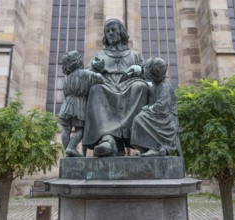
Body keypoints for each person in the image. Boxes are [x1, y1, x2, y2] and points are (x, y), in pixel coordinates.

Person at [82, 18, 149, 157]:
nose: (111, 33)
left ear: (121, 32)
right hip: (106, 85)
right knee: (96, 89)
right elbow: (86, 74)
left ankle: (135, 138)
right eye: (107, 31)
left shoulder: (134, 55)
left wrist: (139, 69)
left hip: (130, 85)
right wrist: (96, 69)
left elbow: (149, 74)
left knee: (140, 86)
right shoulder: (99, 54)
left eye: (114, 30)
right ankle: (108, 138)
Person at [130, 57, 182, 157]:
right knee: (138, 119)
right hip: (159, 115)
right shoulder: (155, 84)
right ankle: (147, 148)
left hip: (166, 119)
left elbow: (162, 106)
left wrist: (148, 109)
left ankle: (155, 148)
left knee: (139, 119)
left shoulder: (165, 85)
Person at [59, 50, 104, 157]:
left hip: (66, 105)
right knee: (80, 130)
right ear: (78, 61)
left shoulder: (67, 78)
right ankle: (71, 148)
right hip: (78, 104)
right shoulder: (84, 73)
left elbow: (65, 93)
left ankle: (67, 151)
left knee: (66, 129)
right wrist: (99, 70)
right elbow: (100, 78)